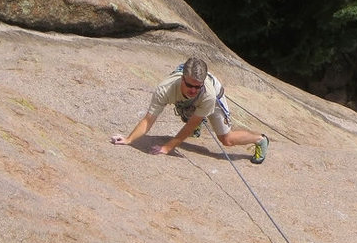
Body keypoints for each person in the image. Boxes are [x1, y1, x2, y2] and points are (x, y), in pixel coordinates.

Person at [111, 57, 269, 163]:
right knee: (187, 107)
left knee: (226, 140)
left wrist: (167, 147)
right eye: (189, 85)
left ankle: (260, 139)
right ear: (182, 78)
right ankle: (195, 112)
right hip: (190, 101)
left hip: (212, 97)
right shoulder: (165, 89)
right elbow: (148, 120)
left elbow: (190, 126)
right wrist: (128, 139)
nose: (193, 89)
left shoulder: (208, 95)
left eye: (197, 86)